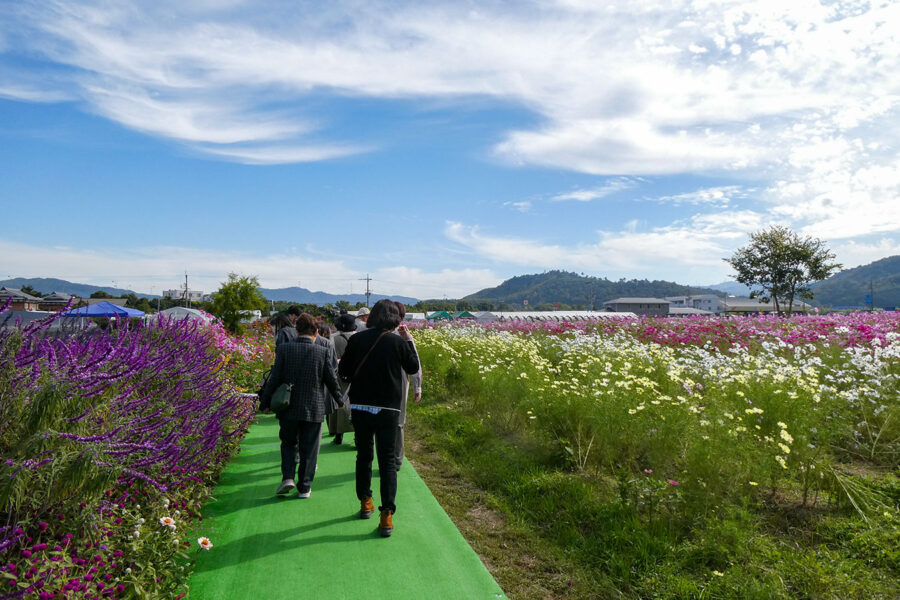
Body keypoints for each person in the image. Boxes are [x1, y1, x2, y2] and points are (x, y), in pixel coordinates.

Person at [339, 299, 419, 537]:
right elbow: (413, 367)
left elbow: (344, 372)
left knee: (363, 456)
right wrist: (408, 341)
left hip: (361, 406)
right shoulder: (397, 342)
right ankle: (387, 516)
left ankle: (365, 503)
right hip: (389, 409)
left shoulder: (356, 340)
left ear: (372, 316)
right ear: (395, 318)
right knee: (386, 463)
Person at [261, 313, 343, 499]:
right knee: (309, 448)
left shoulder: (284, 349)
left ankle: (287, 477)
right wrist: (339, 400)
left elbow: (274, 379)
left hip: (288, 406)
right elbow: (331, 381)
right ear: (316, 332)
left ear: (296, 330)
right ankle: (304, 487)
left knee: (289, 443)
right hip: (314, 406)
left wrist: (264, 403)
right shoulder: (322, 352)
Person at [392, 302, 422, 471]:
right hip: (392, 380)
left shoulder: (405, 334)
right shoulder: (382, 332)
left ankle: (396, 458)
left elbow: (415, 361)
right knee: (395, 422)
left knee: (398, 421)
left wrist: (418, 386)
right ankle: (394, 457)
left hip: (401, 378)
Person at [327, 313, 357, 444]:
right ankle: (357, 435)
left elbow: (330, 358)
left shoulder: (333, 338)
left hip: (340, 374)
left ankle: (338, 434)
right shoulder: (359, 337)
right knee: (357, 405)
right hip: (358, 375)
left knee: (339, 404)